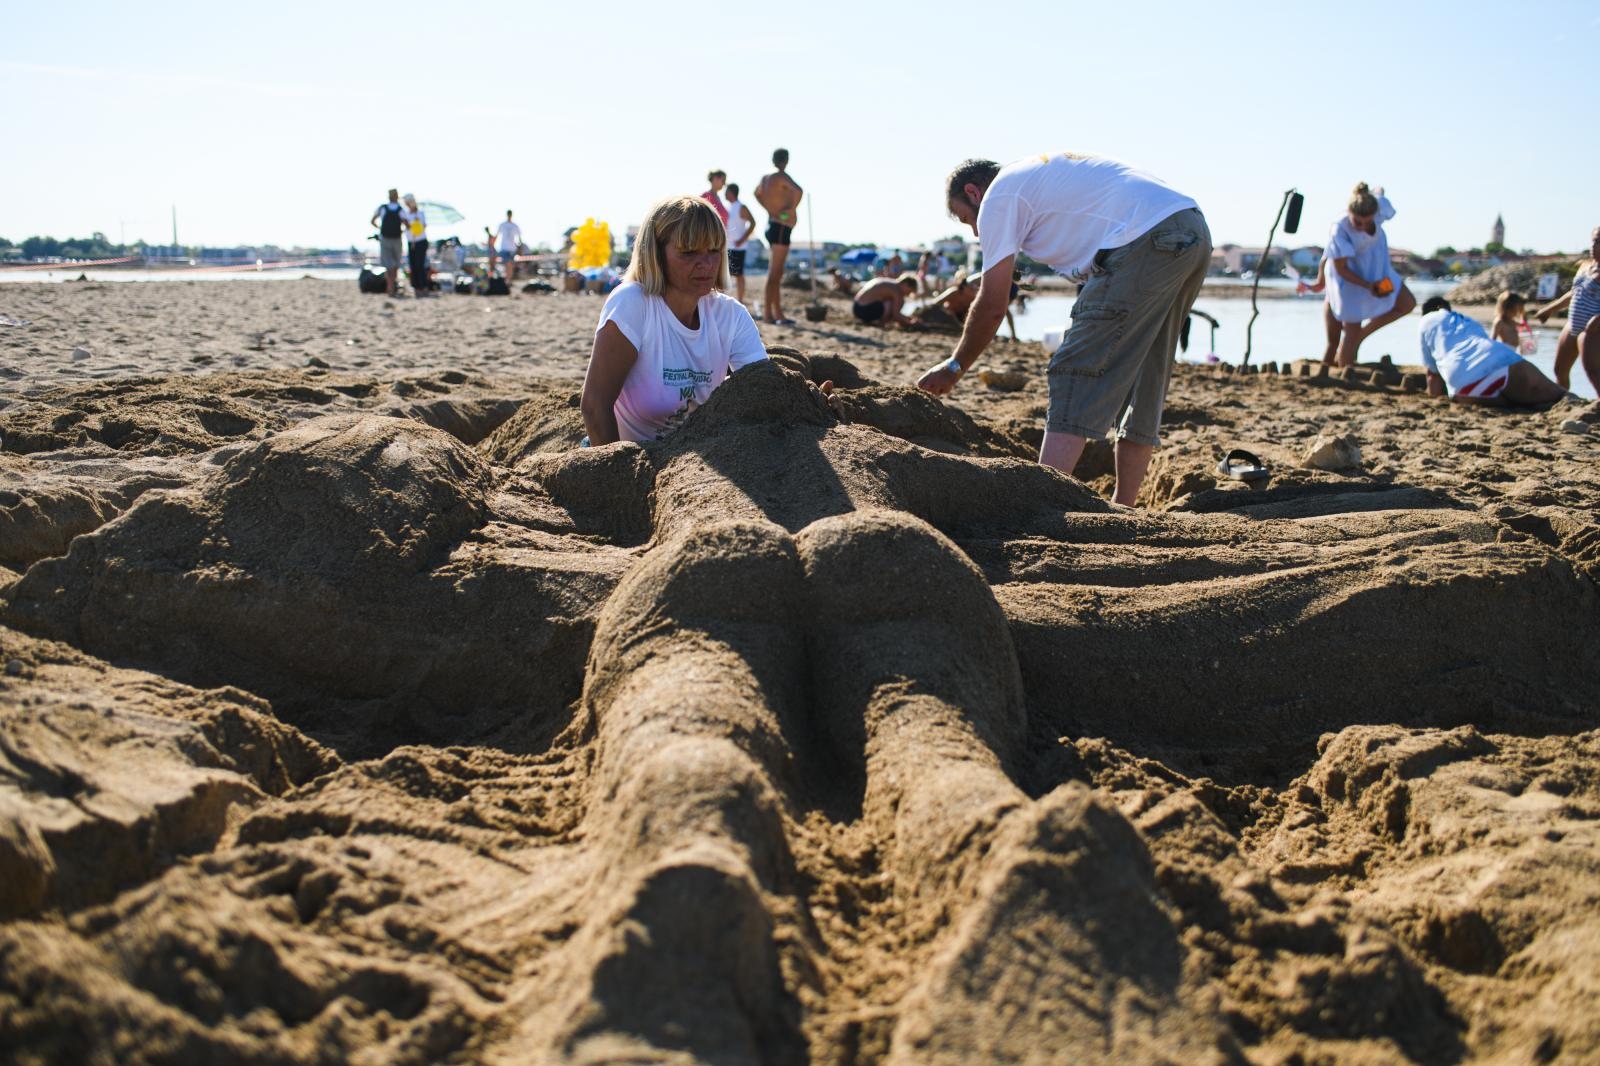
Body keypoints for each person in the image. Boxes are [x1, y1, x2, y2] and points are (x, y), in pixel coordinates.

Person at [917, 154, 1209, 506]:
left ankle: (1042, 500)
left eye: (967, 220)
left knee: (1073, 366)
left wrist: (955, 366)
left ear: (973, 192)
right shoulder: (1036, 180)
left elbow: (992, 303)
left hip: (1146, 237)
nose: (977, 232)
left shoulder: (998, 196)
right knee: (1146, 370)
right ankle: (1125, 504)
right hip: (1191, 229)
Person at [580, 196, 767, 445]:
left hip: (694, 464)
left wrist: (811, 401)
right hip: (633, 456)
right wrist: (618, 475)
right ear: (656, 254)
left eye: (714, 251)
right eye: (689, 253)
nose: (706, 263)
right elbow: (594, 405)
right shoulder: (633, 303)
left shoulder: (730, 315)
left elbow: (766, 390)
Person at [1324, 183, 1416, 366]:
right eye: (1358, 222)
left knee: (1407, 303)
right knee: (1352, 326)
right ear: (1350, 212)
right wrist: (1368, 286)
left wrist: (1378, 190)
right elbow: (1340, 268)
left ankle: (1361, 336)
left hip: (1378, 270)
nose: (1363, 226)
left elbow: (1380, 191)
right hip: (1350, 278)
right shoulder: (1340, 229)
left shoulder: (1377, 207)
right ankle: (1346, 369)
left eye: (1368, 222)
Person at [1418, 296, 1564, 406]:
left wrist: (1435, 400)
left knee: (1513, 405)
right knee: (1559, 396)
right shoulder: (1467, 320)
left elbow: (1432, 375)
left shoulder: (1425, 323)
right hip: (1501, 358)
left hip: (1465, 382)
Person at [1534, 226, 1600, 390]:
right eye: (1593, 240)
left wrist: (1598, 318)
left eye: (1599, 242)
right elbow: (1573, 293)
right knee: (1559, 370)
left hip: (1592, 329)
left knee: (1593, 372)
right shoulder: (1585, 266)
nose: (1594, 245)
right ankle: (1564, 401)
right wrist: (1549, 309)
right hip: (1572, 323)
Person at [755, 148, 803, 325]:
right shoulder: (781, 176)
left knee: (776, 272)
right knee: (774, 273)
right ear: (786, 160)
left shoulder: (765, 178)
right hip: (780, 226)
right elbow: (799, 190)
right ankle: (769, 314)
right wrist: (788, 211)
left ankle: (777, 313)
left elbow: (757, 193)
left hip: (773, 225)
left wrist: (770, 210)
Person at [723, 182, 757, 305]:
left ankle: (741, 300)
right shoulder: (726, 207)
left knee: (738, 274)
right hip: (726, 246)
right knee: (725, 273)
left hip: (738, 247)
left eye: (726, 192)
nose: (724, 194)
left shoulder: (741, 207)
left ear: (731, 192)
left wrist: (742, 239)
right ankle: (724, 299)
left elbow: (753, 223)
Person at [370, 188, 406, 296]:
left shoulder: (382, 208)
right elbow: (407, 224)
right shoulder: (400, 209)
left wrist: (380, 228)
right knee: (395, 264)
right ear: (397, 197)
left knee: (388, 265)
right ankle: (392, 286)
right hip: (397, 238)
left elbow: (372, 221)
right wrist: (402, 231)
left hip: (385, 238)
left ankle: (389, 287)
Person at [852, 273, 919, 327]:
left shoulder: (890, 282)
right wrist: (911, 323)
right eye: (909, 292)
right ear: (906, 285)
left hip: (856, 307)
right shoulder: (897, 290)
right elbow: (896, 315)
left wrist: (908, 318)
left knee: (889, 301)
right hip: (864, 310)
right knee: (889, 303)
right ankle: (881, 323)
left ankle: (876, 321)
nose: (907, 294)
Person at [401, 194, 431, 296]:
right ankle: (416, 287)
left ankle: (424, 286)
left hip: (420, 241)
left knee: (420, 265)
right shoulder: (405, 214)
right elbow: (406, 226)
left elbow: (423, 226)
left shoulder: (420, 213)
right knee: (413, 265)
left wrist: (417, 222)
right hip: (411, 242)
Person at [496, 210, 523, 288]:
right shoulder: (502, 225)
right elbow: (497, 235)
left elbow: (519, 238)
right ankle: (506, 281)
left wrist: (520, 247)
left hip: (512, 249)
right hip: (504, 248)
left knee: (510, 266)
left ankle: (508, 281)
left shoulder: (515, 226)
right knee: (507, 264)